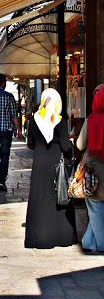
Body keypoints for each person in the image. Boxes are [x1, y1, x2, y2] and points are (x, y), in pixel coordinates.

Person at [24, 88, 76, 249]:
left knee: (40, 199)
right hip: (56, 164)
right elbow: (66, 146)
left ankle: (38, 236)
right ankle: (62, 236)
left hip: (39, 164)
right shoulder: (59, 121)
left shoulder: (33, 120)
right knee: (59, 197)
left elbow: (30, 144)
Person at [76, 86, 104, 253]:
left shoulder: (90, 120)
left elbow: (80, 144)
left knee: (95, 208)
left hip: (93, 171)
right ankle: (88, 242)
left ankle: (100, 244)